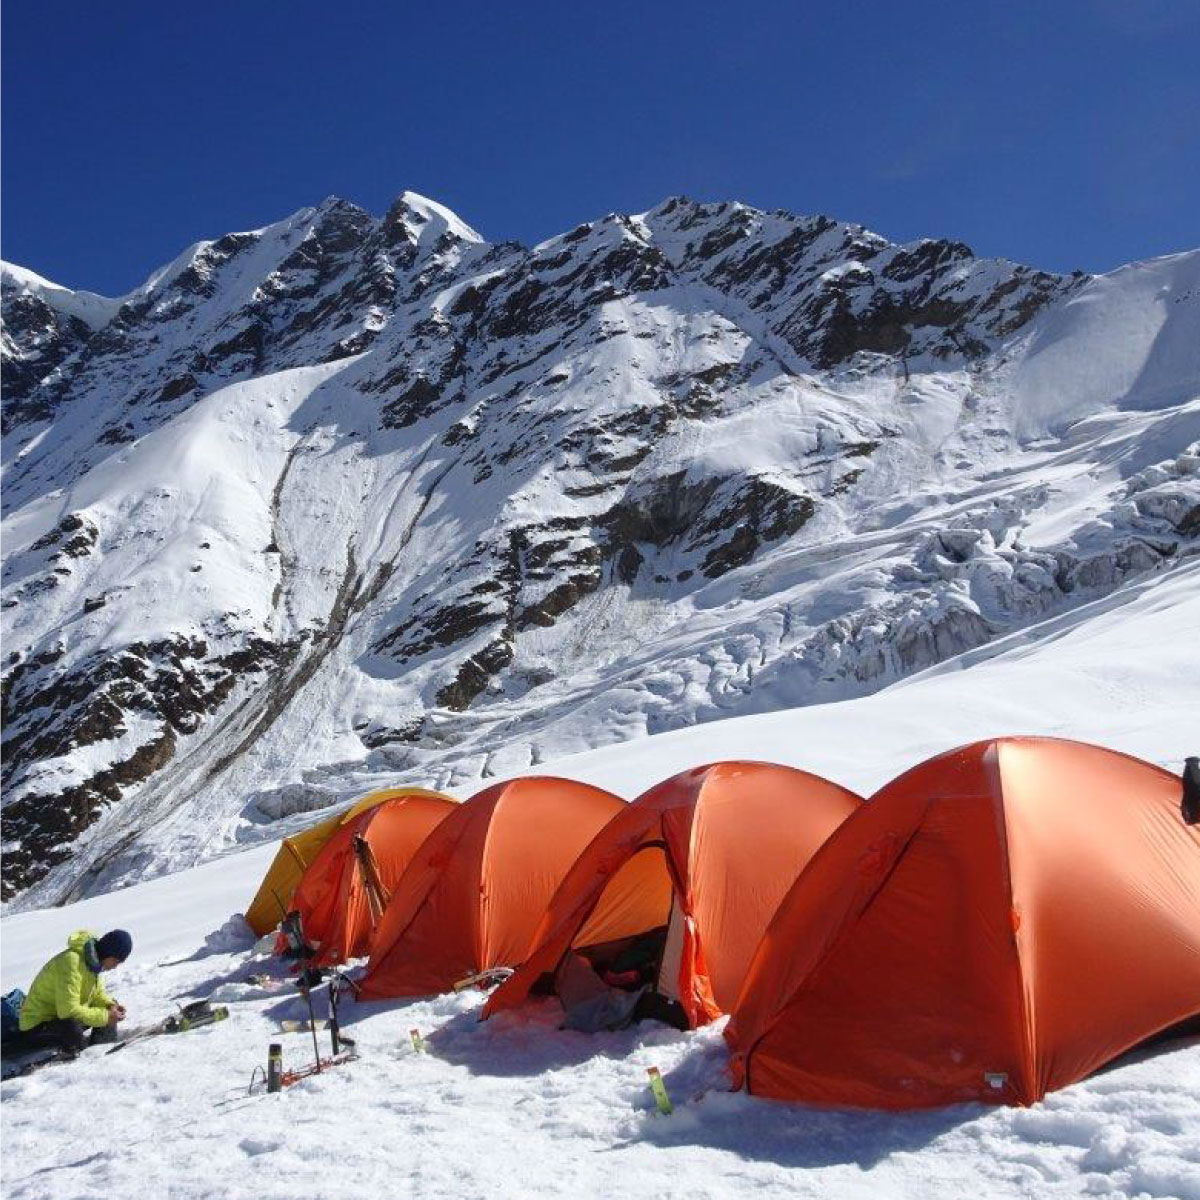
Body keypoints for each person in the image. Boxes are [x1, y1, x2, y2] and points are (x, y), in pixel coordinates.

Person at [16, 929, 132, 1055]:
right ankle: (84, 1059)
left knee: (108, 1010)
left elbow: (96, 994)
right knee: (72, 1023)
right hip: (37, 1026)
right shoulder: (71, 963)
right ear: (108, 952)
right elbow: (68, 1011)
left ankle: (101, 1049)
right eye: (116, 961)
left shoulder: (93, 963)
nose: (116, 966)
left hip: (59, 1019)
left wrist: (109, 1005)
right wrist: (105, 1017)